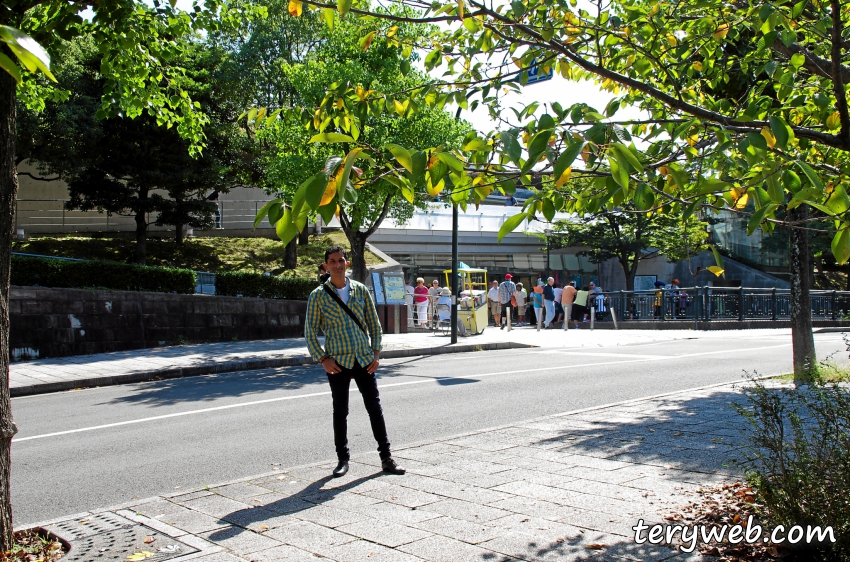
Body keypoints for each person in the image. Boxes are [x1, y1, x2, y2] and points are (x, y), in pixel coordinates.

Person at [304, 245, 405, 477]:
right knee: (340, 411)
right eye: (332, 261)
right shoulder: (318, 296)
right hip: (337, 361)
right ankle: (342, 459)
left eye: (341, 260)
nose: (337, 265)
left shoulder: (360, 290)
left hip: (364, 359)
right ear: (326, 266)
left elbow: (374, 325)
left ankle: (386, 458)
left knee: (374, 408)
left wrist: (376, 354)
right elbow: (309, 332)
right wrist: (322, 359)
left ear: (347, 263)